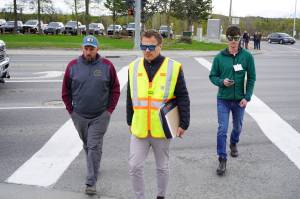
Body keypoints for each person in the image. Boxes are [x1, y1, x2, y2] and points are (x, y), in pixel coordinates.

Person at [127, 30, 190, 199]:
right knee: (134, 166)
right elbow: (130, 96)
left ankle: (161, 196)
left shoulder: (173, 67)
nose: (147, 50)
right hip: (139, 127)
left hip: (161, 128)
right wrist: (129, 120)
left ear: (160, 46)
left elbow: (183, 95)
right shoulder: (133, 67)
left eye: (151, 46)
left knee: (162, 167)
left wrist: (184, 123)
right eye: (143, 46)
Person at [62, 35, 120, 195]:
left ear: (97, 49)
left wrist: (109, 111)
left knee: (93, 146)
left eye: (91, 49)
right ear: (82, 48)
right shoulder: (72, 66)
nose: (88, 52)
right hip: (79, 115)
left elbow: (115, 89)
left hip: (100, 115)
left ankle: (90, 181)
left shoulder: (107, 66)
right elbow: (65, 91)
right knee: (88, 145)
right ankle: (94, 166)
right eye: (86, 48)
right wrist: (71, 111)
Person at [209, 26, 256, 176]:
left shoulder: (247, 57)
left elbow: (252, 78)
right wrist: (222, 82)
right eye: (230, 38)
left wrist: (246, 97)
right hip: (223, 99)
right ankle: (222, 159)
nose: (233, 41)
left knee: (238, 127)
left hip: (239, 101)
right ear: (226, 38)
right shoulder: (219, 57)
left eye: (236, 38)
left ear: (240, 38)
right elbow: (212, 76)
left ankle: (233, 142)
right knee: (222, 128)